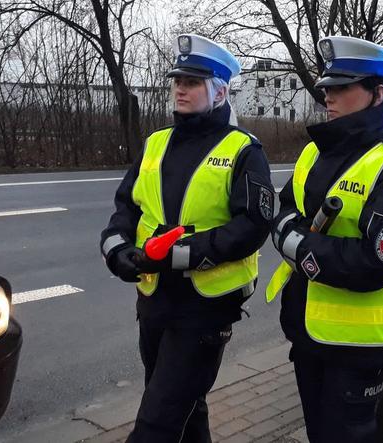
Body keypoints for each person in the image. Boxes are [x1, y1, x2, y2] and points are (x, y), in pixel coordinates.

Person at [100, 34, 274, 443]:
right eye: (178, 80)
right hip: (154, 300)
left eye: (193, 82)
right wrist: (118, 251)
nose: (180, 87)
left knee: (157, 422)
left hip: (206, 307)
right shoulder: (155, 143)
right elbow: (126, 208)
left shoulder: (244, 150)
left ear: (219, 90)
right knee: (184, 408)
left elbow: (252, 226)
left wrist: (181, 255)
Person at [266, 36, 383, 443]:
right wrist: (290, 233)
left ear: (378, 94)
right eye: (327, 86)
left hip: (359, 351)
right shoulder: (314, 151)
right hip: (307, 337)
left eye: (342, 87)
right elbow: (283, 210)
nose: (328, 95)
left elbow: (377, 261)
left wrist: (298, 246)